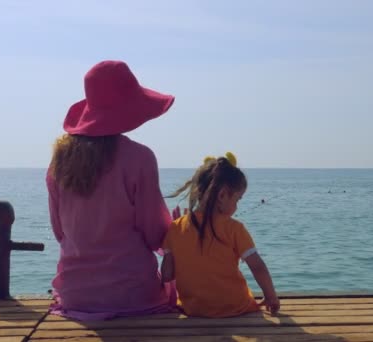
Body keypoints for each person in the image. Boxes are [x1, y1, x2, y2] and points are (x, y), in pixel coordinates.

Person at [46, 60, 176, 320]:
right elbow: (154, 234)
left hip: (76, 295)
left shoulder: (59, 162)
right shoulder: (140, 158)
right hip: (133, 295)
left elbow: (60, 232)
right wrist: (178, 227)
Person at [161, 152, 280, 318]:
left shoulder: (175, 227)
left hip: (194, 310)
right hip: (235, 308)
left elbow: (167, 275)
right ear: (222, 195)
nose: (237, 207)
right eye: (237, 199)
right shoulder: (234, 228)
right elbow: (257, 266)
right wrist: (271, 297)